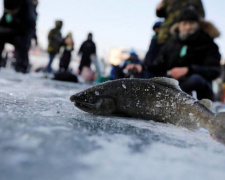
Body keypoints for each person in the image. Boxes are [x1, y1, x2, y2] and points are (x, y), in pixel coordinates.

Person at [149, 8, 221, 100]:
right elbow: (158, 66)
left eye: (191, 23)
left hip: (199, 88)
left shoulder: (209, 44)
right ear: (178, 26)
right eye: (184, 24)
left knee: (195, 80)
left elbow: (214, 71)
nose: (188, 27)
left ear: (198, 25)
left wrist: (188, 70)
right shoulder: (171, 44)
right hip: (173, 83)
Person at [0, 0, 36, 73]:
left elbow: (31, 24)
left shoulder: (27, 7)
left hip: (23, 31)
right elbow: (5, 18)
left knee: (22, 46)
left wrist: (33, 37)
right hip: (10, 28)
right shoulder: (8, 7)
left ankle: (22, 67)